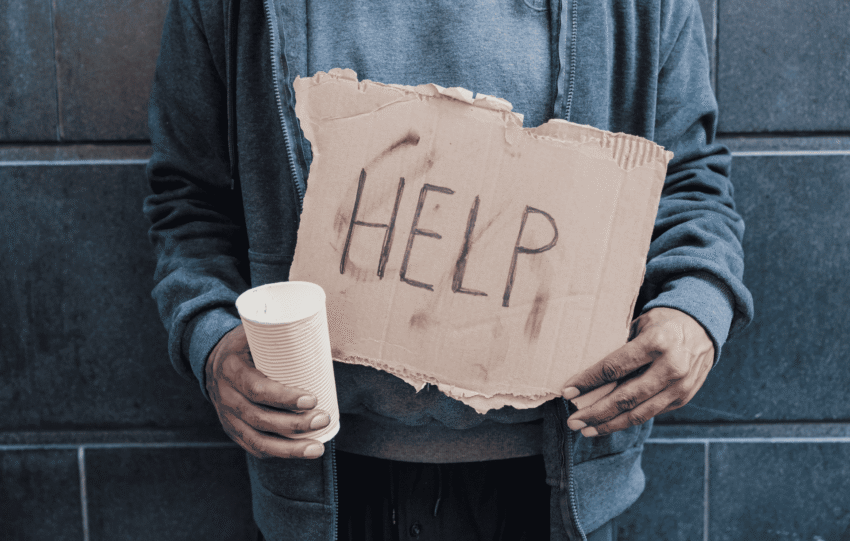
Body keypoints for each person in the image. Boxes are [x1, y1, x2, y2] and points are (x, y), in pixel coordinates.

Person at [144, 0, 753, 539]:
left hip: (558, 490)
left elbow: (689, 185)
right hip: (326, 486)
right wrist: (212, 340)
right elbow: (191, 201)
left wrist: (696, 309)